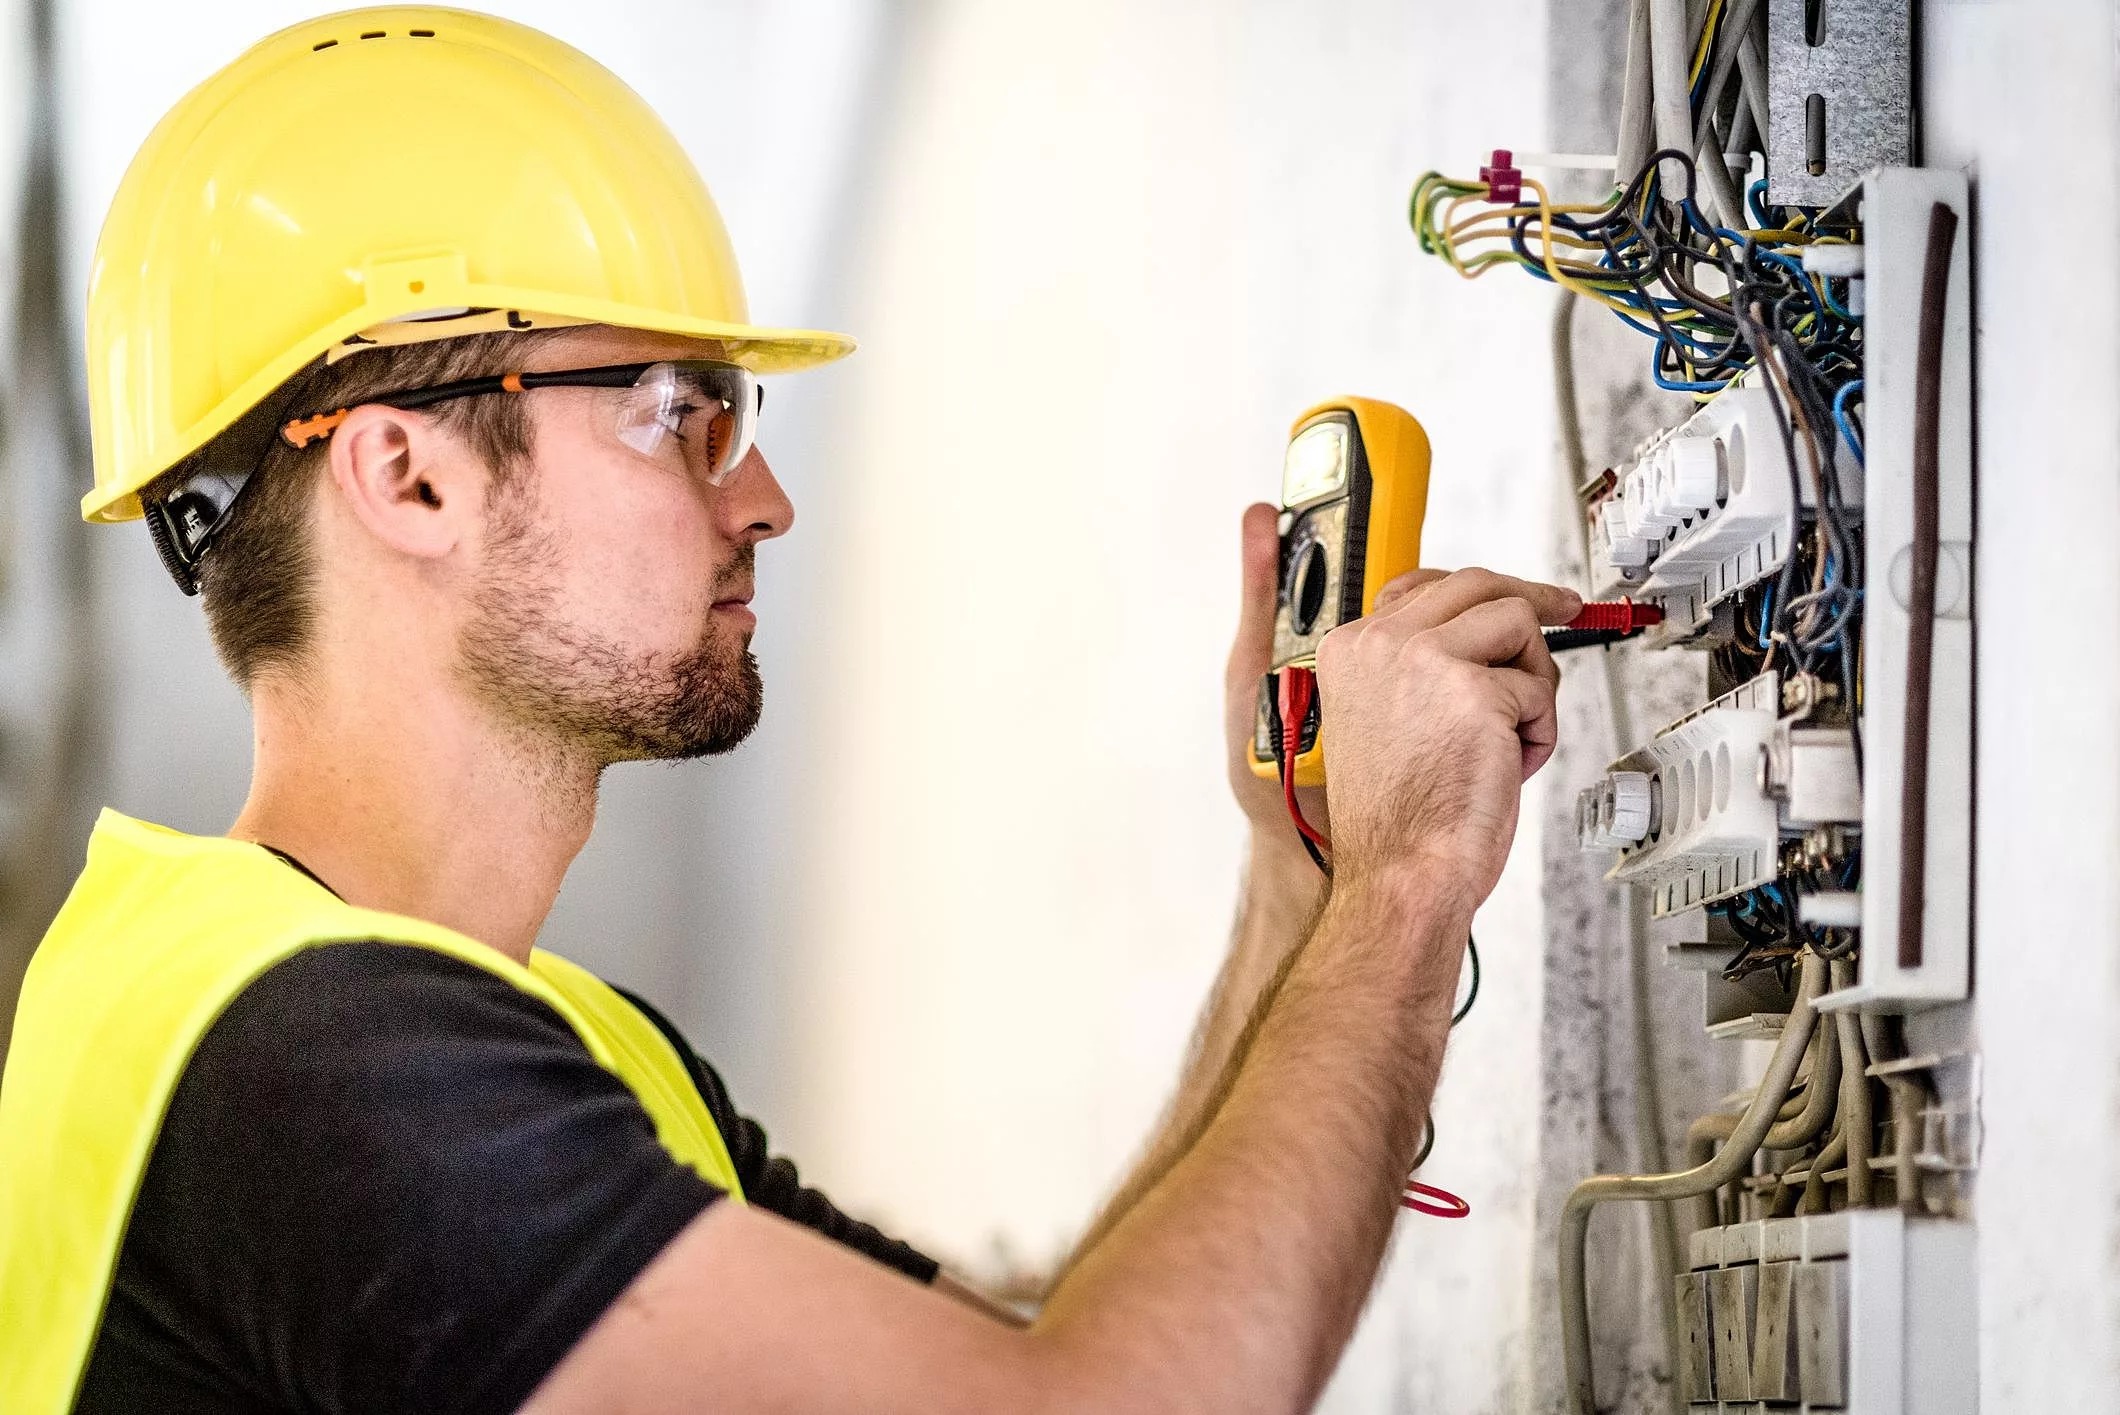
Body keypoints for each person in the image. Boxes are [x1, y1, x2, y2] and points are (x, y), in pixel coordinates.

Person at [0, 9, 1580, 1412]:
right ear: (408, 476)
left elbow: (1046, 1356)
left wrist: (1300, 876)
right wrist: (1408, 874)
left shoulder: (557, 1048)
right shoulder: (305, 1062)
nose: (761, 498)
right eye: (680, 412)